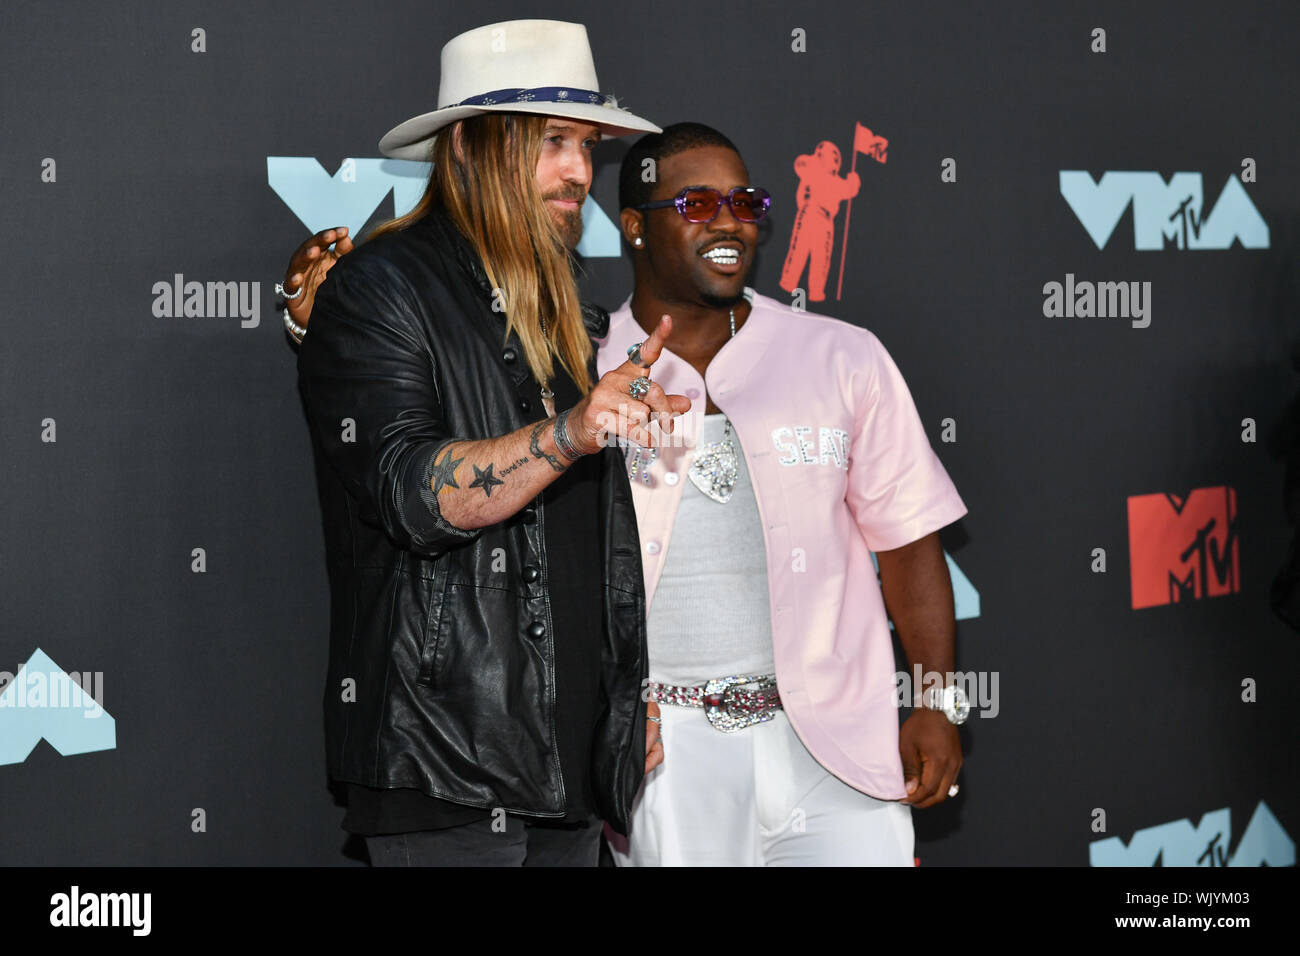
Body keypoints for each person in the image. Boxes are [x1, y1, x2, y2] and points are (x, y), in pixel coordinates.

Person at [287, 121, 971, 866]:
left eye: (745, 202)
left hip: (833, 745)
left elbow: (910, 543)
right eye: (697, 204)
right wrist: (319, 322)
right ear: (635, 227)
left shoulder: (842, 356)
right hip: (663, 755)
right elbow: (441, 422)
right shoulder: (577, 358)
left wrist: (936, 699)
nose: (729, 221)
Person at [289, 19, 687, 867]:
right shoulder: (378, 287)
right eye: (552, 142)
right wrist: (572, 431)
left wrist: (619, 697)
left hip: (568, 770)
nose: (580, 171)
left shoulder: (562, 304)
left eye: (586, 146)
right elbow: (416, 493)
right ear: (468, 146)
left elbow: (578, 544)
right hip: (442, 765)